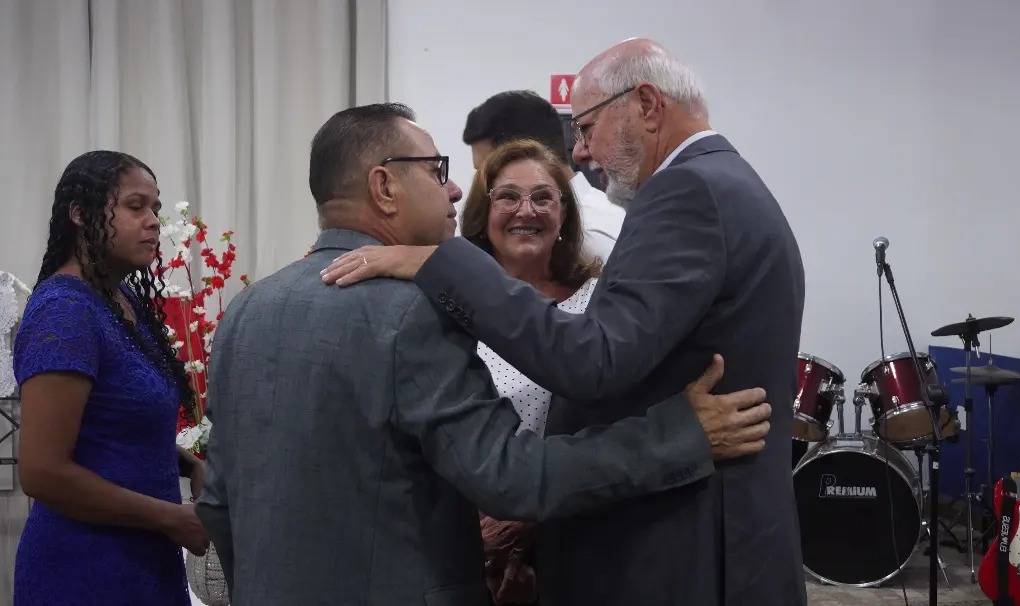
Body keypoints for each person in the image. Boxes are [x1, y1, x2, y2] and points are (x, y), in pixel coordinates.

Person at [195, 103, 773, 606]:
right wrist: (680, 436)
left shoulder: (246, 311)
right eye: (436, 170)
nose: (453, 189)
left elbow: (218, 504)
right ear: (384, 187)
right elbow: (512, 477)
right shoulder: (411, 311)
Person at [320, 39, 807, 606]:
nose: (581, 151)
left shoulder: (688, 189)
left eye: (587, 126)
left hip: (690, 544)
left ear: (647, 105)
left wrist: (441, 261)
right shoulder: (724, 182)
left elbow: (594, 360)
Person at [12, 150, 210, 606]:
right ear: (80, 214)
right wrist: (172, 518)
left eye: (156, 208)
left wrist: (190, 464)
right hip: (83, 571)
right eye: (135, 206)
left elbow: (114, 426)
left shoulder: (122, 302)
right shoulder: (64, 312)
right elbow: (42, 473)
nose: (153, 221)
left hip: (143, 562)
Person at [460, 138, 602, 604]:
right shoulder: (450, 304)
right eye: (508, 196)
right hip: (464, 542)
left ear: (564, 215)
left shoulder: (599, 303)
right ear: (483, 214)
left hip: (572, 535)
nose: (527, 210)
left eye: (543, 197)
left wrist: (527, 519)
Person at [463, 90, 625, 261]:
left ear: (526, 152)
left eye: (487, 170)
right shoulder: (605, 211)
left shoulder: (584, 237)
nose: (482, 183)